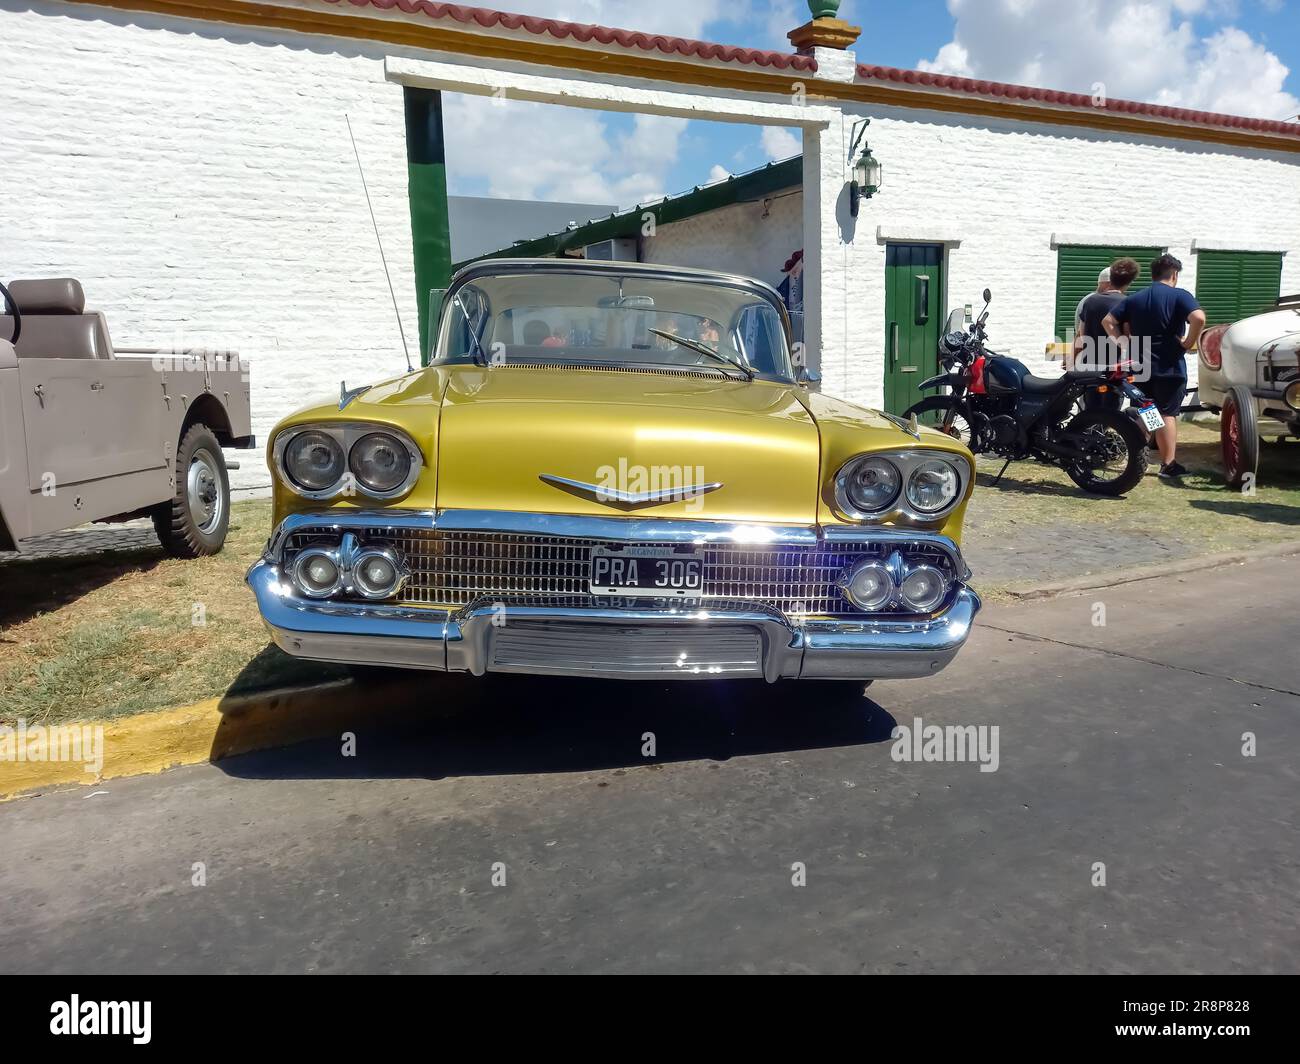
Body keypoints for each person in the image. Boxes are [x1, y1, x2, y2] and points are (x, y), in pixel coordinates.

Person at [1102, 253, 1206, 479]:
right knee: (1167, 413)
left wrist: (1123, 342)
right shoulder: (1179, 295)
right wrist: (1189, 343)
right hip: (1169, 365)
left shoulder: (1135, 298)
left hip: (1141, 365)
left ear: (1152, 274)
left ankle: (1134, 452)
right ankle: (1168, 465)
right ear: (1175, 274)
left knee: (1149, 409)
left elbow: (1108, 322)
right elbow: (1199, 318)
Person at [1071, 258, 1140, 410]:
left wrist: (1072, 360)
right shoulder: (1127, 302)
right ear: (1128, 282)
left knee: (1090, 409)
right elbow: (1129, 337)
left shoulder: (1089, 302)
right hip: (1116, 366)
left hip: (1090, 366)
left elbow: (1081, 336)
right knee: (1112, 410)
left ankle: (1090, 432)